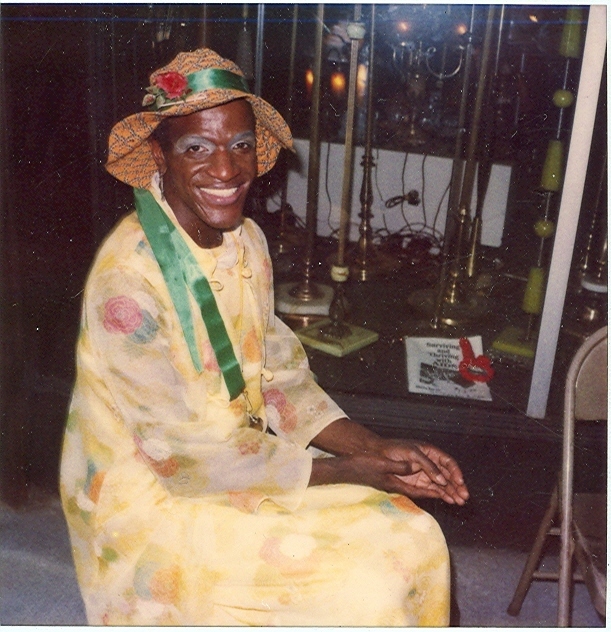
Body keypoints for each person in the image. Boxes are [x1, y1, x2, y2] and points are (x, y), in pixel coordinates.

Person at [60, 48, 469, 626]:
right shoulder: (129, 283)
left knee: (415, 534)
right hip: (157, 497)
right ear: (158, 155)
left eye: (241, 145)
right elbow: (180, 457)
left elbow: (278, 374)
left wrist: (372, 448)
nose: (226, 171)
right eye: (196, 147)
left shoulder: (245, 239)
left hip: (243, 461)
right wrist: (349, 471)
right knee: (367, 585)